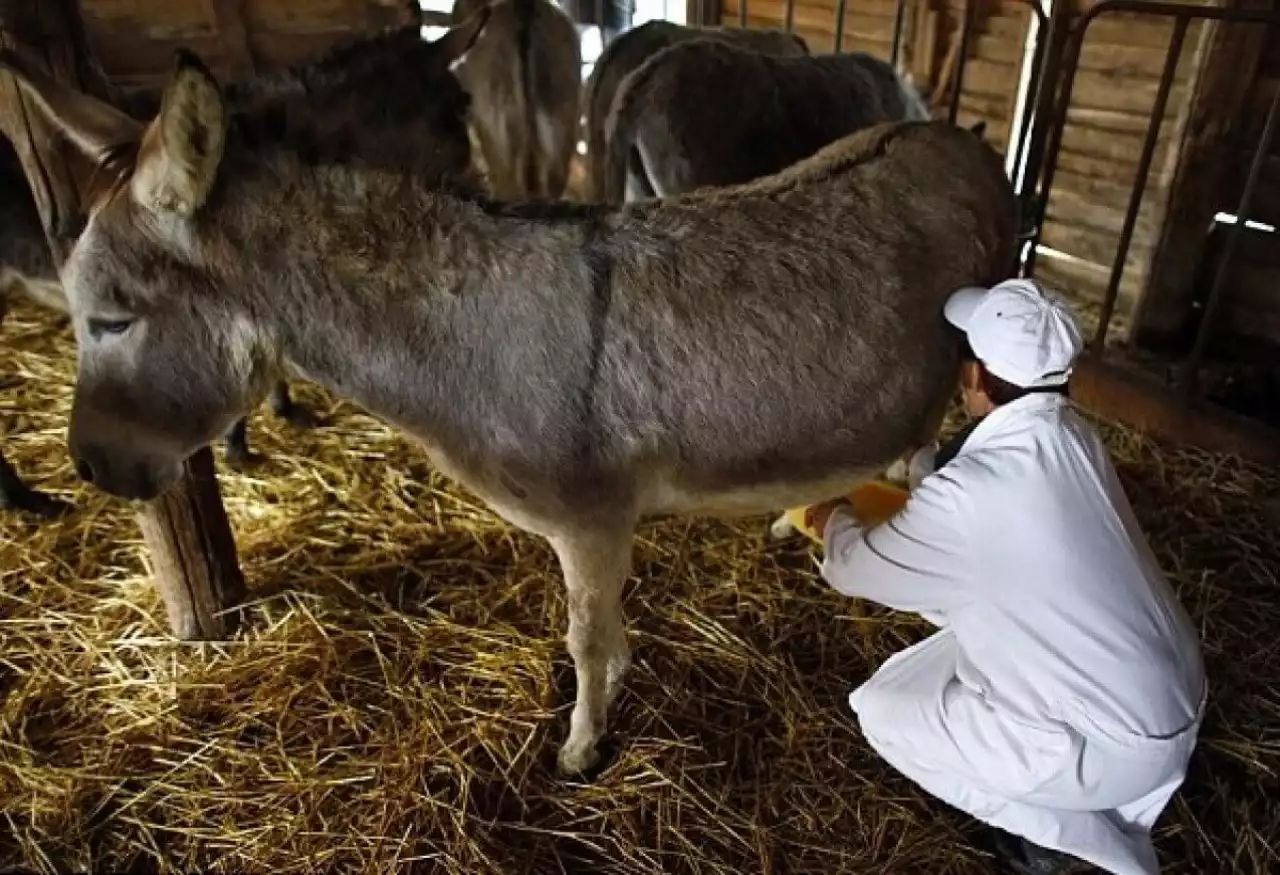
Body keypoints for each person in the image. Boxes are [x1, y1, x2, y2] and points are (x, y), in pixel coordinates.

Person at [804, 278, 1207, 875]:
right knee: (944, 647)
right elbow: (969, 489)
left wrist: (828, 515)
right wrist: (920, 464)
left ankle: (1069, 846)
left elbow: (856, 569)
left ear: (975, 378)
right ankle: (1086, 805)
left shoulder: (968, 495)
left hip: (1108, 746)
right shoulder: (1076, 438)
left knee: (883, 711)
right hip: (1171, 698)